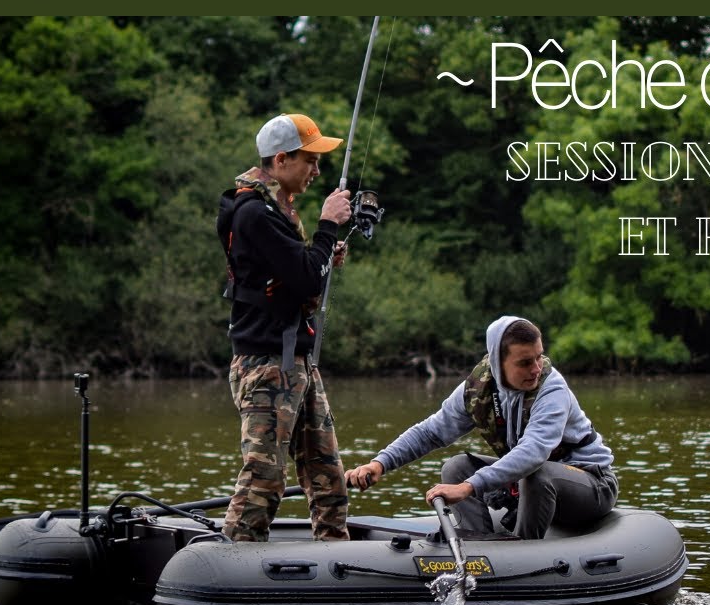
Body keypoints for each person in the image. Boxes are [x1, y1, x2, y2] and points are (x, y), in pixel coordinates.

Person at [346, 316, 618, 539]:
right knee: (455, 467)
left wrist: (468, 487)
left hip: (591, 485)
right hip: (530, 485)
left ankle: (525, 554)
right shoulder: (479, 387)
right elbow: (430, 432)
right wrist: (380, 463)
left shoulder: (552, 388)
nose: (536, 368)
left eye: (539, 357)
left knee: (537, 473)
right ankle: (481, 550)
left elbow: (534, 452)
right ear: (497, 364)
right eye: (525, 362)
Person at [216, 113, 353, 542]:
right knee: (264, 479)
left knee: (329, 476)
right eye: (309, 161)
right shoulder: (255, 213)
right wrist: (328, 227)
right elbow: (307, 278)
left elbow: (300, 272)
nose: (316, 171)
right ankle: (232, 562)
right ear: (280, 160)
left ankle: (336, 559)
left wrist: (324, 252)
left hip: (295, 362)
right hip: (267, 365)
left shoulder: (275, 210)